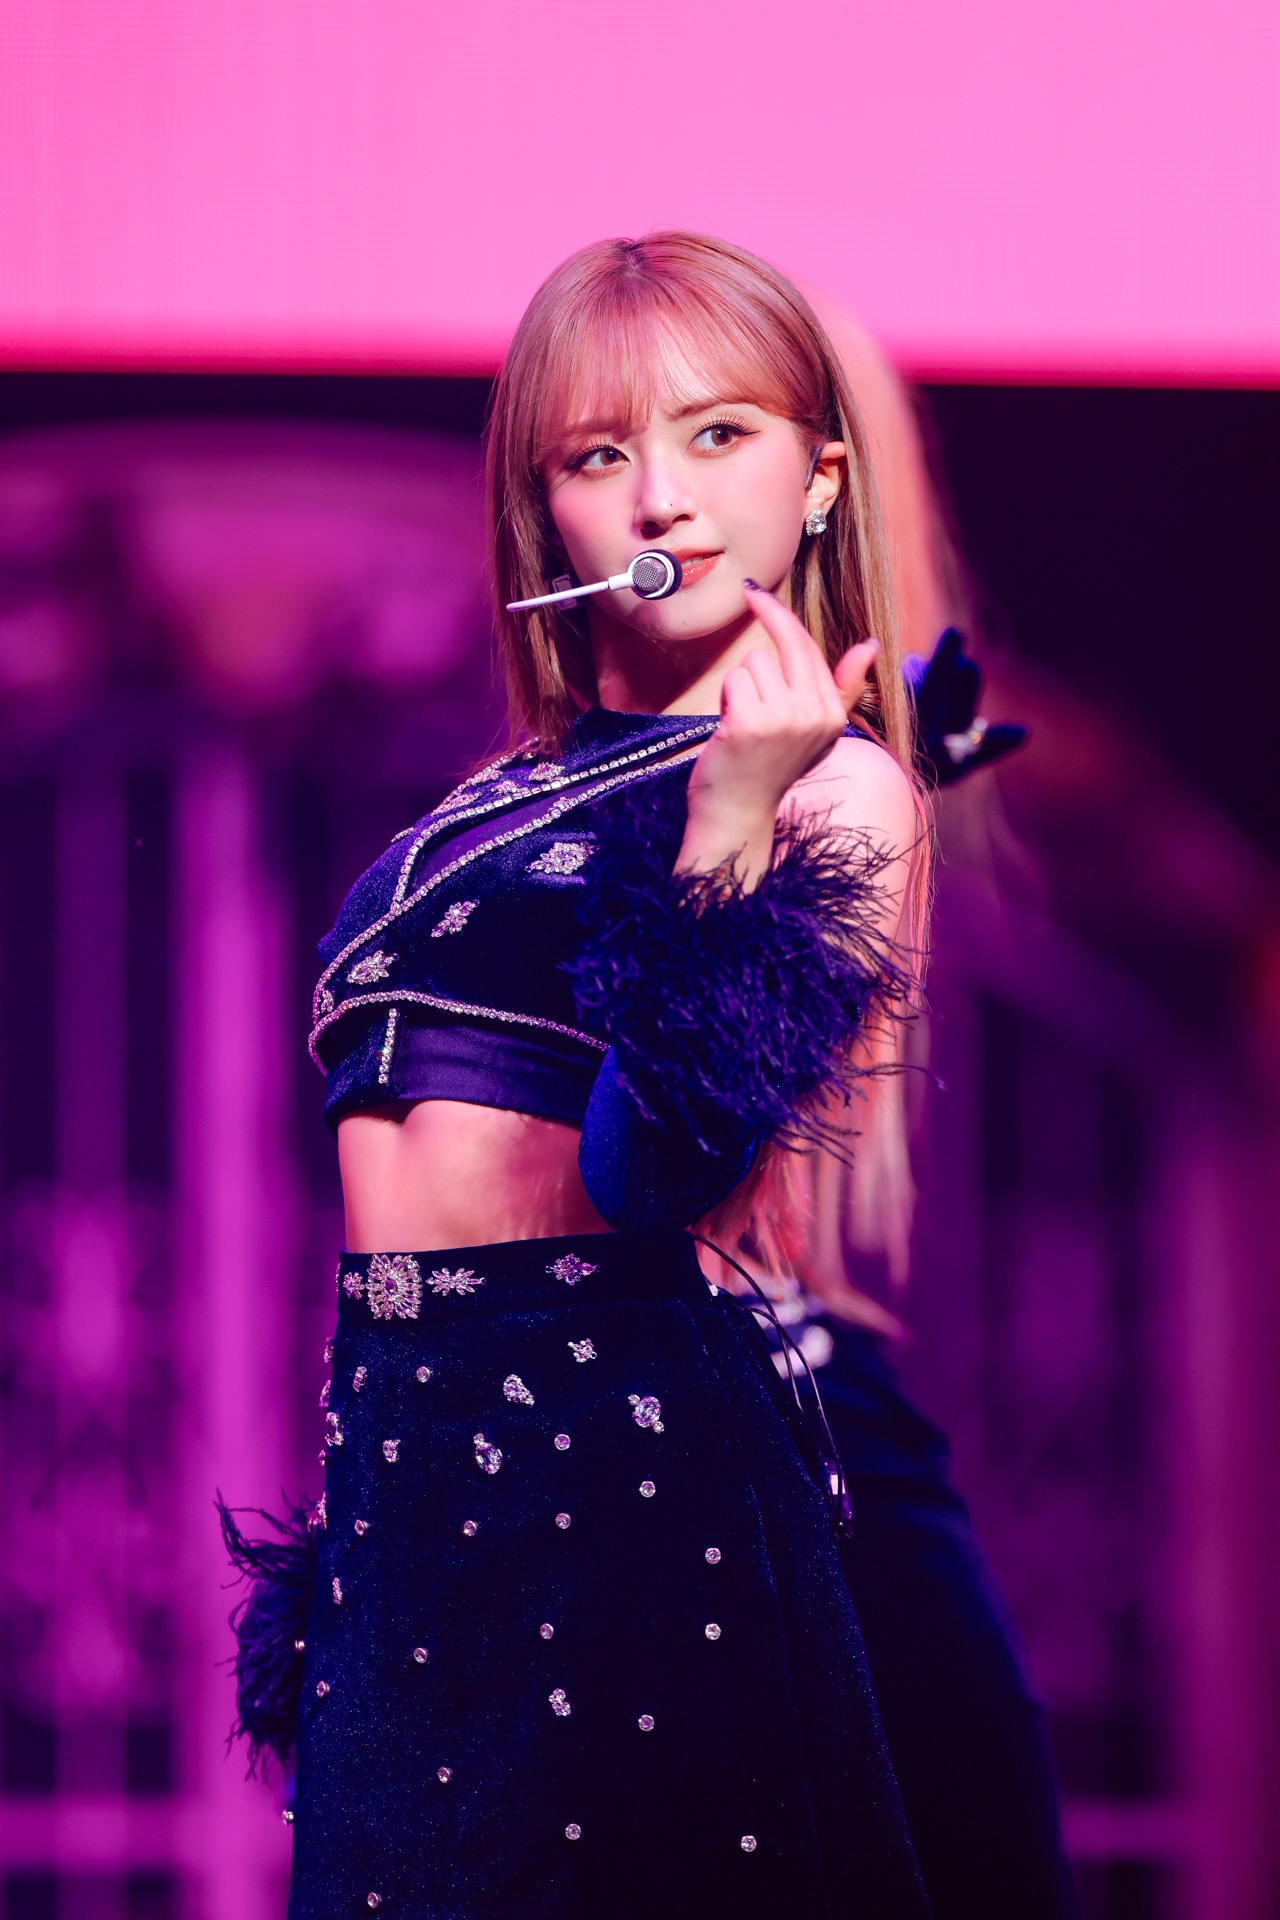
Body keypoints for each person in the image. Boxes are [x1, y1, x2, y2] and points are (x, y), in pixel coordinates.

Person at [218, 230, 1019, 1918]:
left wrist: (729, 828)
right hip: (417, 1504)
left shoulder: (839, 793)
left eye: (720, 435)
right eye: (598, 455)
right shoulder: (494, 794)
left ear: (820, 482)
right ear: (547, 512)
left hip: (629, 1503)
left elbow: (659, 1171)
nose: (662, 496)